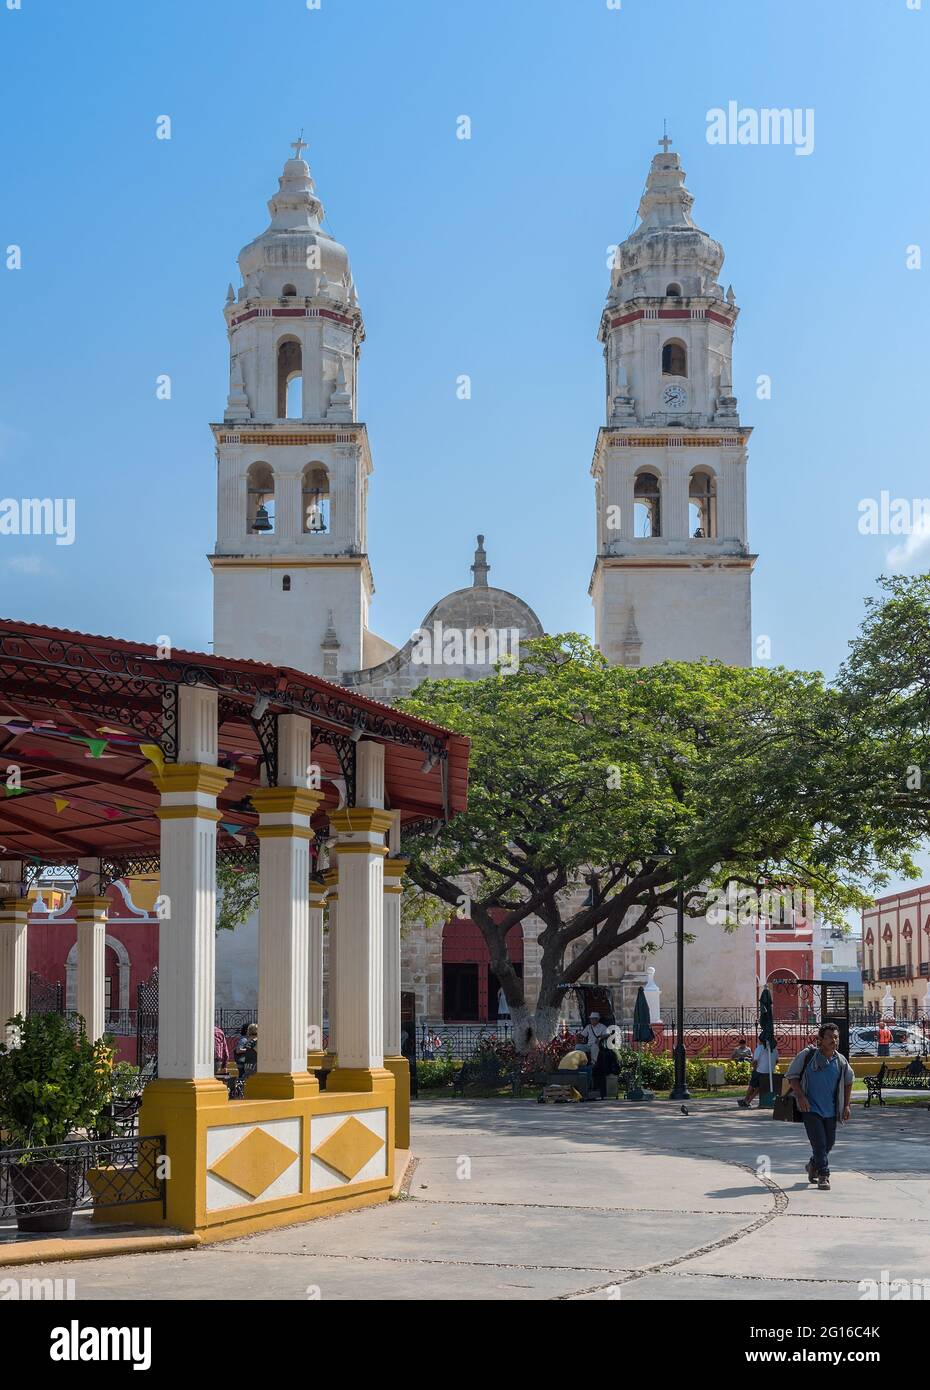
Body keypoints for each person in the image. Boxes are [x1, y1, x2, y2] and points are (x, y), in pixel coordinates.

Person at [786, 1023, 854, 1191]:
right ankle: (824, 1174)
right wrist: (801, 1096)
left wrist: (846, 1105)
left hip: (831, 1110)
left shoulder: (841, 1060)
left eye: (836, 1037)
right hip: (810, 1108)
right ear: (820, 1039)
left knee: (829, 1143)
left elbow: (848, 1082)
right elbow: (792, 1076)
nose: (834, 1040)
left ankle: (812, 1165)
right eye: (830, 1036)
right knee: (819, 1143)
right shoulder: (808, 1056)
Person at [579, 1011, 614, 1100]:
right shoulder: (588, 1027)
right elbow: (582, 1035)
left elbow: (608, 1033)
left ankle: (593, 1062)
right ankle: (579, 1062)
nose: (592, 1020)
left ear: (597, 1019)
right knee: (578, 1047)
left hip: (596, 1045)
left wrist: (600, 1038)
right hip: (588, 1045)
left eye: (593, 1019)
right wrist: (578, 1037)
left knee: (594, 1047)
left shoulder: (602, 1026)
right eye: (591, 1019)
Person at [737, 1036, 779, 1108]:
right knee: (759, 1087)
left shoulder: (760, 1048)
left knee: (752, 1085)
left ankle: (746, 1099)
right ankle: (748, 1101)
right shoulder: (774, 1049)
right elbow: (777, 1061)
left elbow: (755, 1061)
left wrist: (754, 1068)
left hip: (760, 1070)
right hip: (770, 1072)